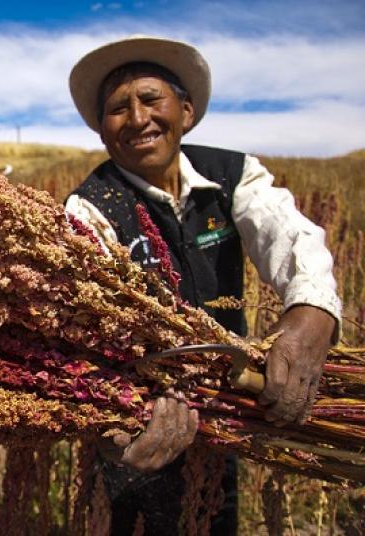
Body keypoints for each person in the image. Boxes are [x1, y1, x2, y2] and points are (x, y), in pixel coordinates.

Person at [65, 35, 341, 534]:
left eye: (151, 99)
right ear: (102, 133)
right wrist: (113, 426)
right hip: (143, 421)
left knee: (216, 513)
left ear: (186, 112)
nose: (137, 118)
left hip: (229, 409)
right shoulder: (88, 209)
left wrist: (311, 314)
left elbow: (290, 234)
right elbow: (84, 340)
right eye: (116, 109)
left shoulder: (233, 174)